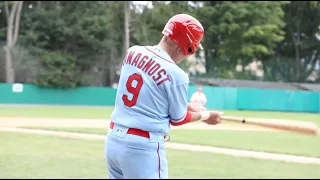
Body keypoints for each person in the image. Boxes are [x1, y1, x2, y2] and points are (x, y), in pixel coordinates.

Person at [104, 13, 223, 179]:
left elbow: (150, 91)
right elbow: (178, 118)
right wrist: (207, 115)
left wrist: (187, 104)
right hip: (142, 148)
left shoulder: (133, 52)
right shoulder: (177, 74)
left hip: (113, 141)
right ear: (186, 46)